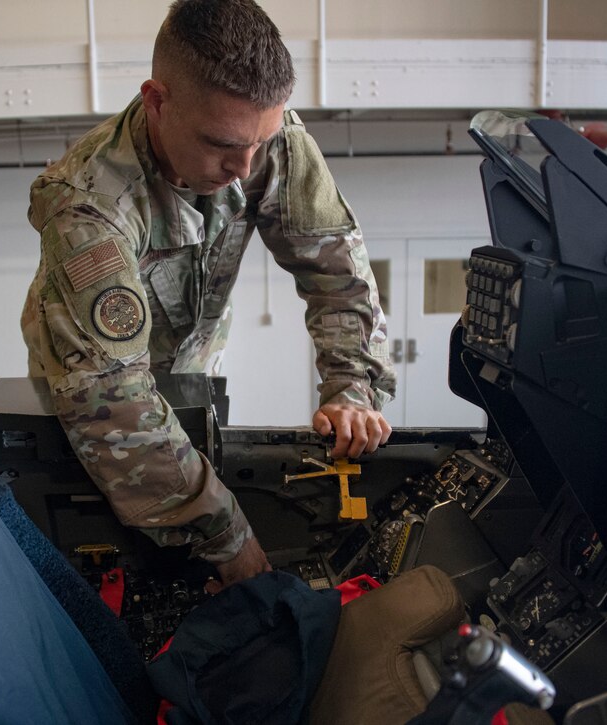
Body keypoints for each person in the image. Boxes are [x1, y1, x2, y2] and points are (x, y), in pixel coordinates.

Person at [21, 0, 396, 591]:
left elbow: (336, 272)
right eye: (222, 144)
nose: (244, 168)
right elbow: (109, 402)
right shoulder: (89, 207)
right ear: (157, 102)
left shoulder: (260, 137)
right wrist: (227, 538)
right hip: (92, 399)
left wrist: (352, 387)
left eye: (260, 142)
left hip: (193, 371)